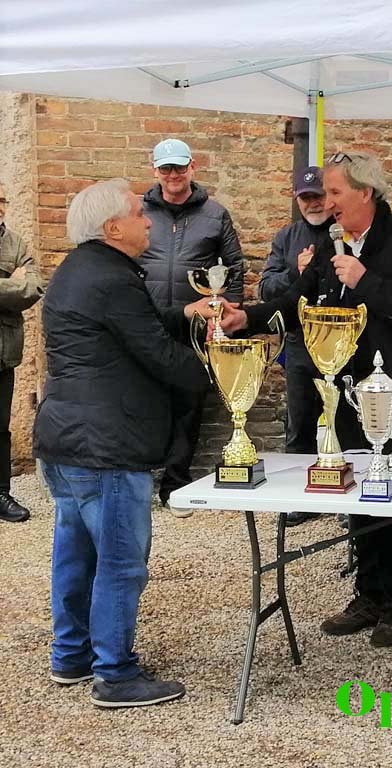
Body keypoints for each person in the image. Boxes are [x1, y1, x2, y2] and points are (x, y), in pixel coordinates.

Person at [219, 151, 392, 647]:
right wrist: (248, 318)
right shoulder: (330, 243)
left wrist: (366, 282)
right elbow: (297, 301)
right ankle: (368, 594)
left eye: (336, 192)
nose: (327, 202)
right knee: (358, 493)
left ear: (365, 192)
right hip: (342, 390)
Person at [35, 179, 212, 706]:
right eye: (138, 213)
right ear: (113, 228)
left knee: (76, 553)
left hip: (68, 439)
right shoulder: (113, 279)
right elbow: (156, 353)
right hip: (107, 445)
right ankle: (115, 674)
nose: (148, 219)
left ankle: (72, 655)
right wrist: (217, 367)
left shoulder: (79, 270)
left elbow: (135, 326)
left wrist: (187, 314)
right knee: (120, 560)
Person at [139, 138, 244, 511]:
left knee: (188, 404)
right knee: (142, 400)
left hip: (194, 327)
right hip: (147, 321)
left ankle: (175, 483)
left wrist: (227, 313)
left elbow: (234, 267)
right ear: (155, 170)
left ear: (192, 167)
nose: (173, 175)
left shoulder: (215, 214)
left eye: (179, 167)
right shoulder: (138, 211)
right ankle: (139, 481)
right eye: (166, 168)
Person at [259, 165, 333, 527]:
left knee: (346, 421)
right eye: (306, 197)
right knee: (300, 423)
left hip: (342, 343)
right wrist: (295, 273)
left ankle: (350, 497)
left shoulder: (345, 230)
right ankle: (302, 497)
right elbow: (265, 289)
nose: (313, 203)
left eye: (318, 195)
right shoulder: (286, 238)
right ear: (296, 199)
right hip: (301, 343)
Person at [0, 184, 43, 523]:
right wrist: (9, 283)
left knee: (0, 428)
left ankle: (1, 493)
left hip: (3, 351)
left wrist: (19, 283)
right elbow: (18, 286)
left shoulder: (16, 244)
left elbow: (32, 287)